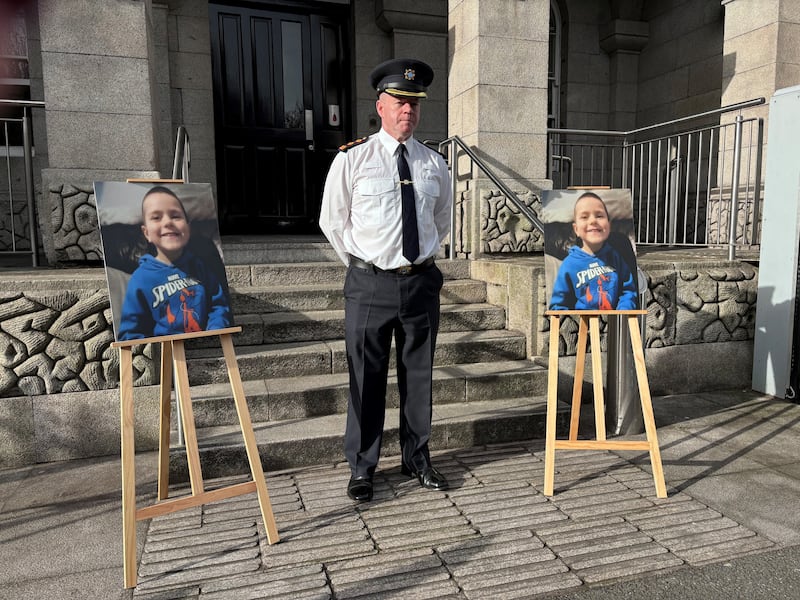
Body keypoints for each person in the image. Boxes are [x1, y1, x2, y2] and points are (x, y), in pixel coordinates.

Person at [319, 58, 452, 503]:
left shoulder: (434, 163)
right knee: (365, 377)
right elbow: (333, 222)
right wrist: (367, 265)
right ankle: (362, 466)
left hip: (420, 284)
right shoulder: (353, 158)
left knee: (419, 377)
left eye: (414, 103)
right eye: (399, 102)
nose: (407, 111)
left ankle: (418, 457)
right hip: (369, 285)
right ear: (380, 105)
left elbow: (440, 221)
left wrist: (413, 264)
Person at [117, 185, 232, 340]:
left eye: (175, 216)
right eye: (156, 217)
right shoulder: (140, 279)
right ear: (146, 233)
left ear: (188, 227)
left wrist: (215, 332)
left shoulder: (200, 266)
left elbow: (218, 306)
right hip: (167, 356)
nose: (167, 222)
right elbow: (131, 332)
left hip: (206, 346)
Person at [548, 192, 638, 310]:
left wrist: (624, 311)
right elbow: (558, 305)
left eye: (599, 216)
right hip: (583, 324)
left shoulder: (616, 256)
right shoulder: (569, 264)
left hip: (615, 321)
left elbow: (628, 291)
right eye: (584, 217)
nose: (593, 221)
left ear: (609, 226)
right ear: (576, 229)